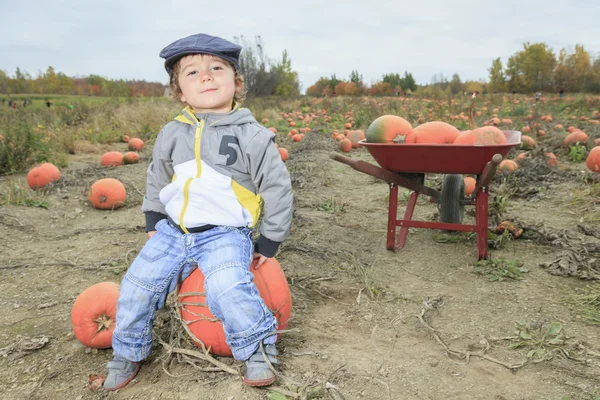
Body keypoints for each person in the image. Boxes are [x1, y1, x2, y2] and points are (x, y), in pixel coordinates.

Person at [102, 33, 294, 391]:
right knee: (136, 286)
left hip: (225, 233)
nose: (205, 76)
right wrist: (153, 218)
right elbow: (157, 176)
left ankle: (257, 348)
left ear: (236, 82)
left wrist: (270, 239)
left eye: (216, 68)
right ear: (180, 92)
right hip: (175, 231)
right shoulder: (172, 133)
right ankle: (127, 351)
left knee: (227, 287)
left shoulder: (252, 136)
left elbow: (278, 188)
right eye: (192, 72)